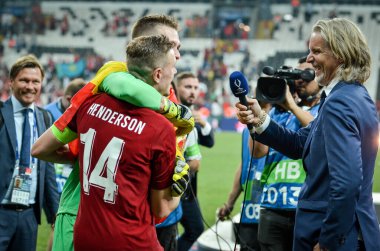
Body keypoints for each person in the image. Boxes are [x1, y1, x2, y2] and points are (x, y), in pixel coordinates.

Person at [33, 14, 193, 251]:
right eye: (172, 46)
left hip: (111, 220)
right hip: (87, 212)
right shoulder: (117, 82)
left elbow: (42, 148)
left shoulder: (102, 93)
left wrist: (90, 156)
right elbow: (40, 147)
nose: (178, 54)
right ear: (147, 43)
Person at [236, 18, 380, 251]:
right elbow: (301, 142)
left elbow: (347, 182)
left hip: (329, 235)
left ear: (341, 54)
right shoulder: (354, 96)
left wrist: (329, 241)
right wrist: (260, 120)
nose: (309, 58)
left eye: (316, 51)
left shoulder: (339, 102)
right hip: (352, 231)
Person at [254, 58, 321, 251]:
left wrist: (291, 105)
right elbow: (259, 153)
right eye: (297, 75)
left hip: (305, 207)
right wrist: (262, 110)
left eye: (307, 75)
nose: (300, 80)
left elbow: (317, 131)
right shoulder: (276, 114)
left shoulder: (323, 109)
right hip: (273, 205)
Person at [0, 54, 59, 250]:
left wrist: (54, 214)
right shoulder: (1, 113)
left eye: (36, 81)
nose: (30, 86)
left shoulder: (45, 117)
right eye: (24, 80)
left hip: (28, 216)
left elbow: (48, 168)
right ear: (11, 82)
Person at [44, 78, 85, 251]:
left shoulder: (86, 115)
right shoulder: (48, 113)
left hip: (74, 176)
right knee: (57, 223)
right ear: (70, 99)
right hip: (54, 176)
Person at [175, 71, 212, 251]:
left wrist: (204, 124)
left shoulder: (191, 115)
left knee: (170, 232)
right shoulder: (174, 113)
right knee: (195, 230)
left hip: (187, 186)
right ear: (176, 87)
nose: (193, 92)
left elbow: (210, 142)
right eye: (188, 87)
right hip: (175, 186)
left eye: (196, 88)